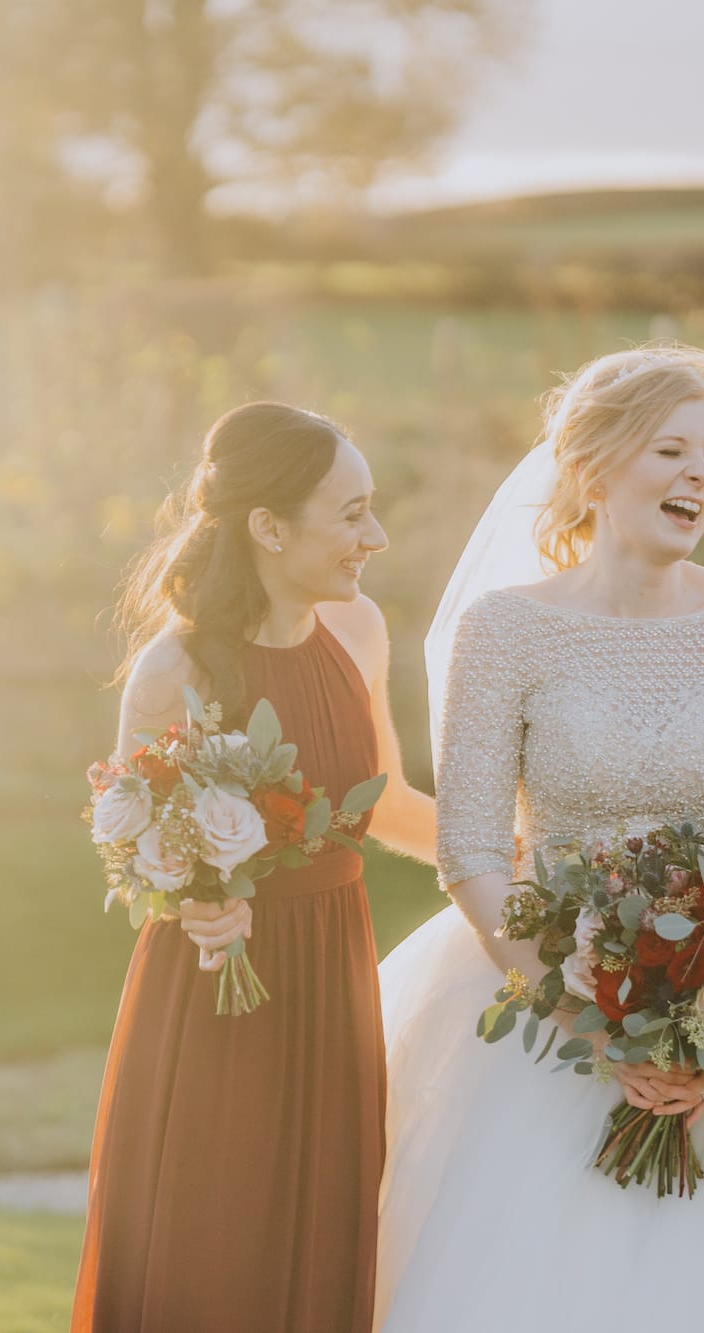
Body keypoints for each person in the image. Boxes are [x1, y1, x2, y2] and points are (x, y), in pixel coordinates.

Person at [372, 345, 704, 1332]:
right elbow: (472, 853)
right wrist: (589, 1018)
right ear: (594, 466)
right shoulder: (505, 629)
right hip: (537, 1008)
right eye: (673, 450)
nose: (702, 475)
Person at [73, 402, 435, 1333]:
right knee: (213, 1255)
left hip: (333, 988)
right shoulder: (176, 667)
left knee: (320, 1252)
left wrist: (516, 853)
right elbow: (128, 835)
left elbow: (383, 800)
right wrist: (192, 899)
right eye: (351, 513)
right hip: (217, 997)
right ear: (269, 527)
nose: (376, 537)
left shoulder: (358, 633)